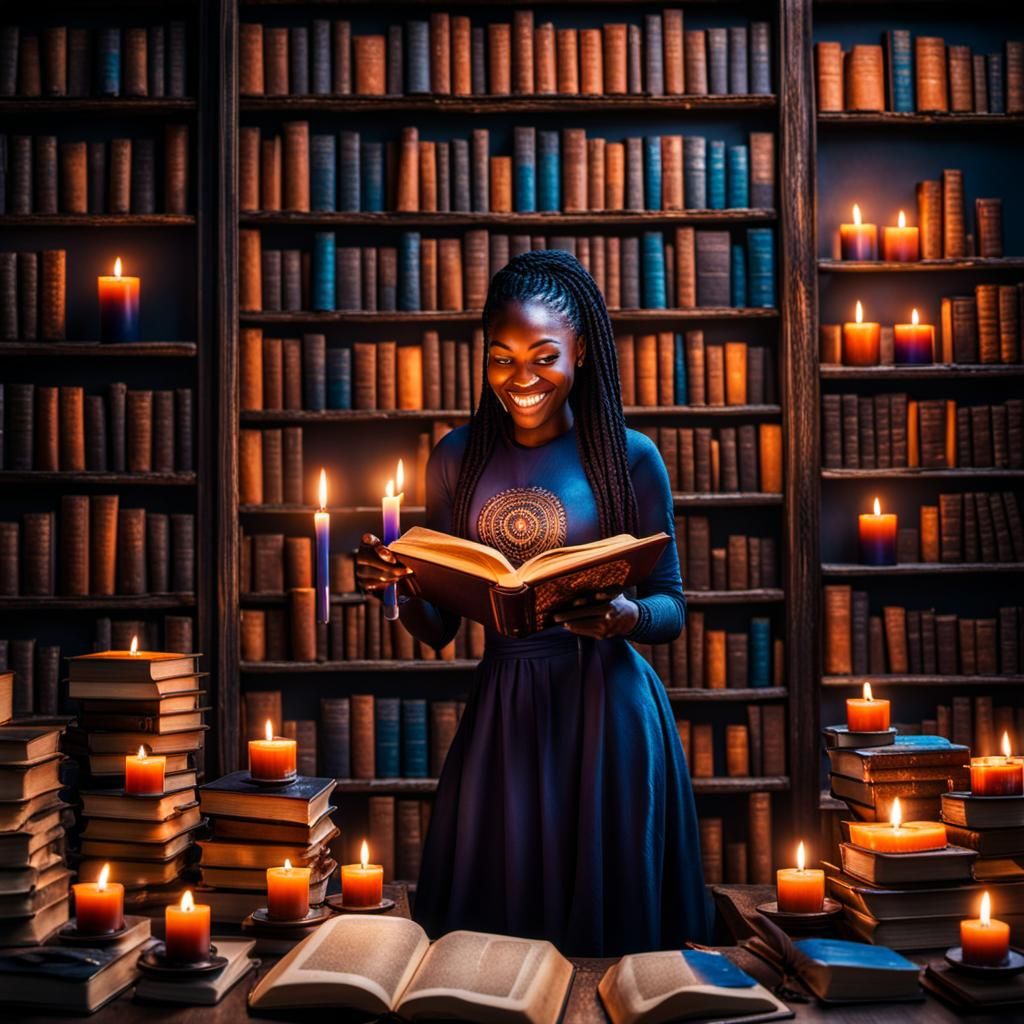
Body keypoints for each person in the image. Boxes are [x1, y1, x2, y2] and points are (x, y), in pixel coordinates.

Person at [357, 248, 708, 956]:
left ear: (581, 350)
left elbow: (671, 605)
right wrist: (398, 589)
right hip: (504, 716)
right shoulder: (458, 457)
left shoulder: (629, 456)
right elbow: (438, 631)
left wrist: (625, 618)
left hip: (608, 715)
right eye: (501, 358)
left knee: (606, 939)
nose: (522, 379)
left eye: (543, 356)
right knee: (493, 941)